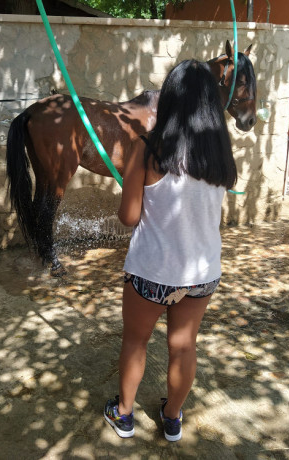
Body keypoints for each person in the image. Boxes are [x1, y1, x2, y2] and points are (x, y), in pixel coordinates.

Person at [103, 59, 238, 441]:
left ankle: (124, 414)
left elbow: (128, 217)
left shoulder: (148, 151)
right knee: (183, 346)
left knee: (135, 341)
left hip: (152, 271)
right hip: (202, 273)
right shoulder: (221, 157)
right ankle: (173, 417)